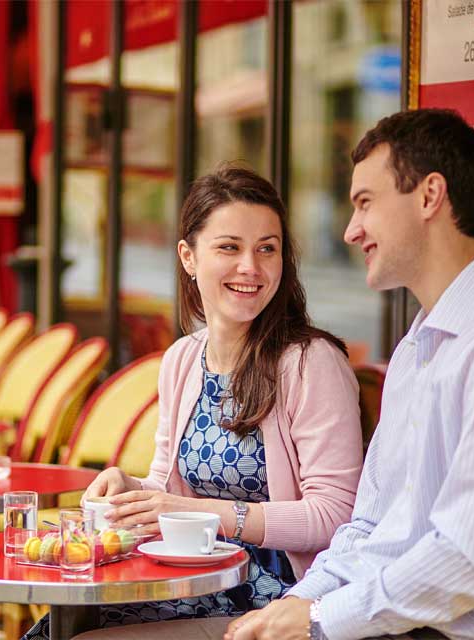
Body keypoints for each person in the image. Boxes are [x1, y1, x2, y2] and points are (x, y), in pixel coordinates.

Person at [220, 109, 474, 639]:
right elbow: (367, 530)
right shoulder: (418, 347)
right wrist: (291, 607)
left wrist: (321, 620)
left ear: (429, 196)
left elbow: (471, 557)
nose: (351, 231)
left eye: (365, 203)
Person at [24, 165, 364, 638]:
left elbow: (335, 516)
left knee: (77, 632)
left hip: (275, 594)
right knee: (60, 625)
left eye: (268, 248)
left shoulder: (310, 362)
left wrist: (210, 514)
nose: (252, 266)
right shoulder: (184, 358)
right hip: (186, 575)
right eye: (230, 247)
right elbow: (170, 489)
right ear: (188, 257)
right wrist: (130, 487)